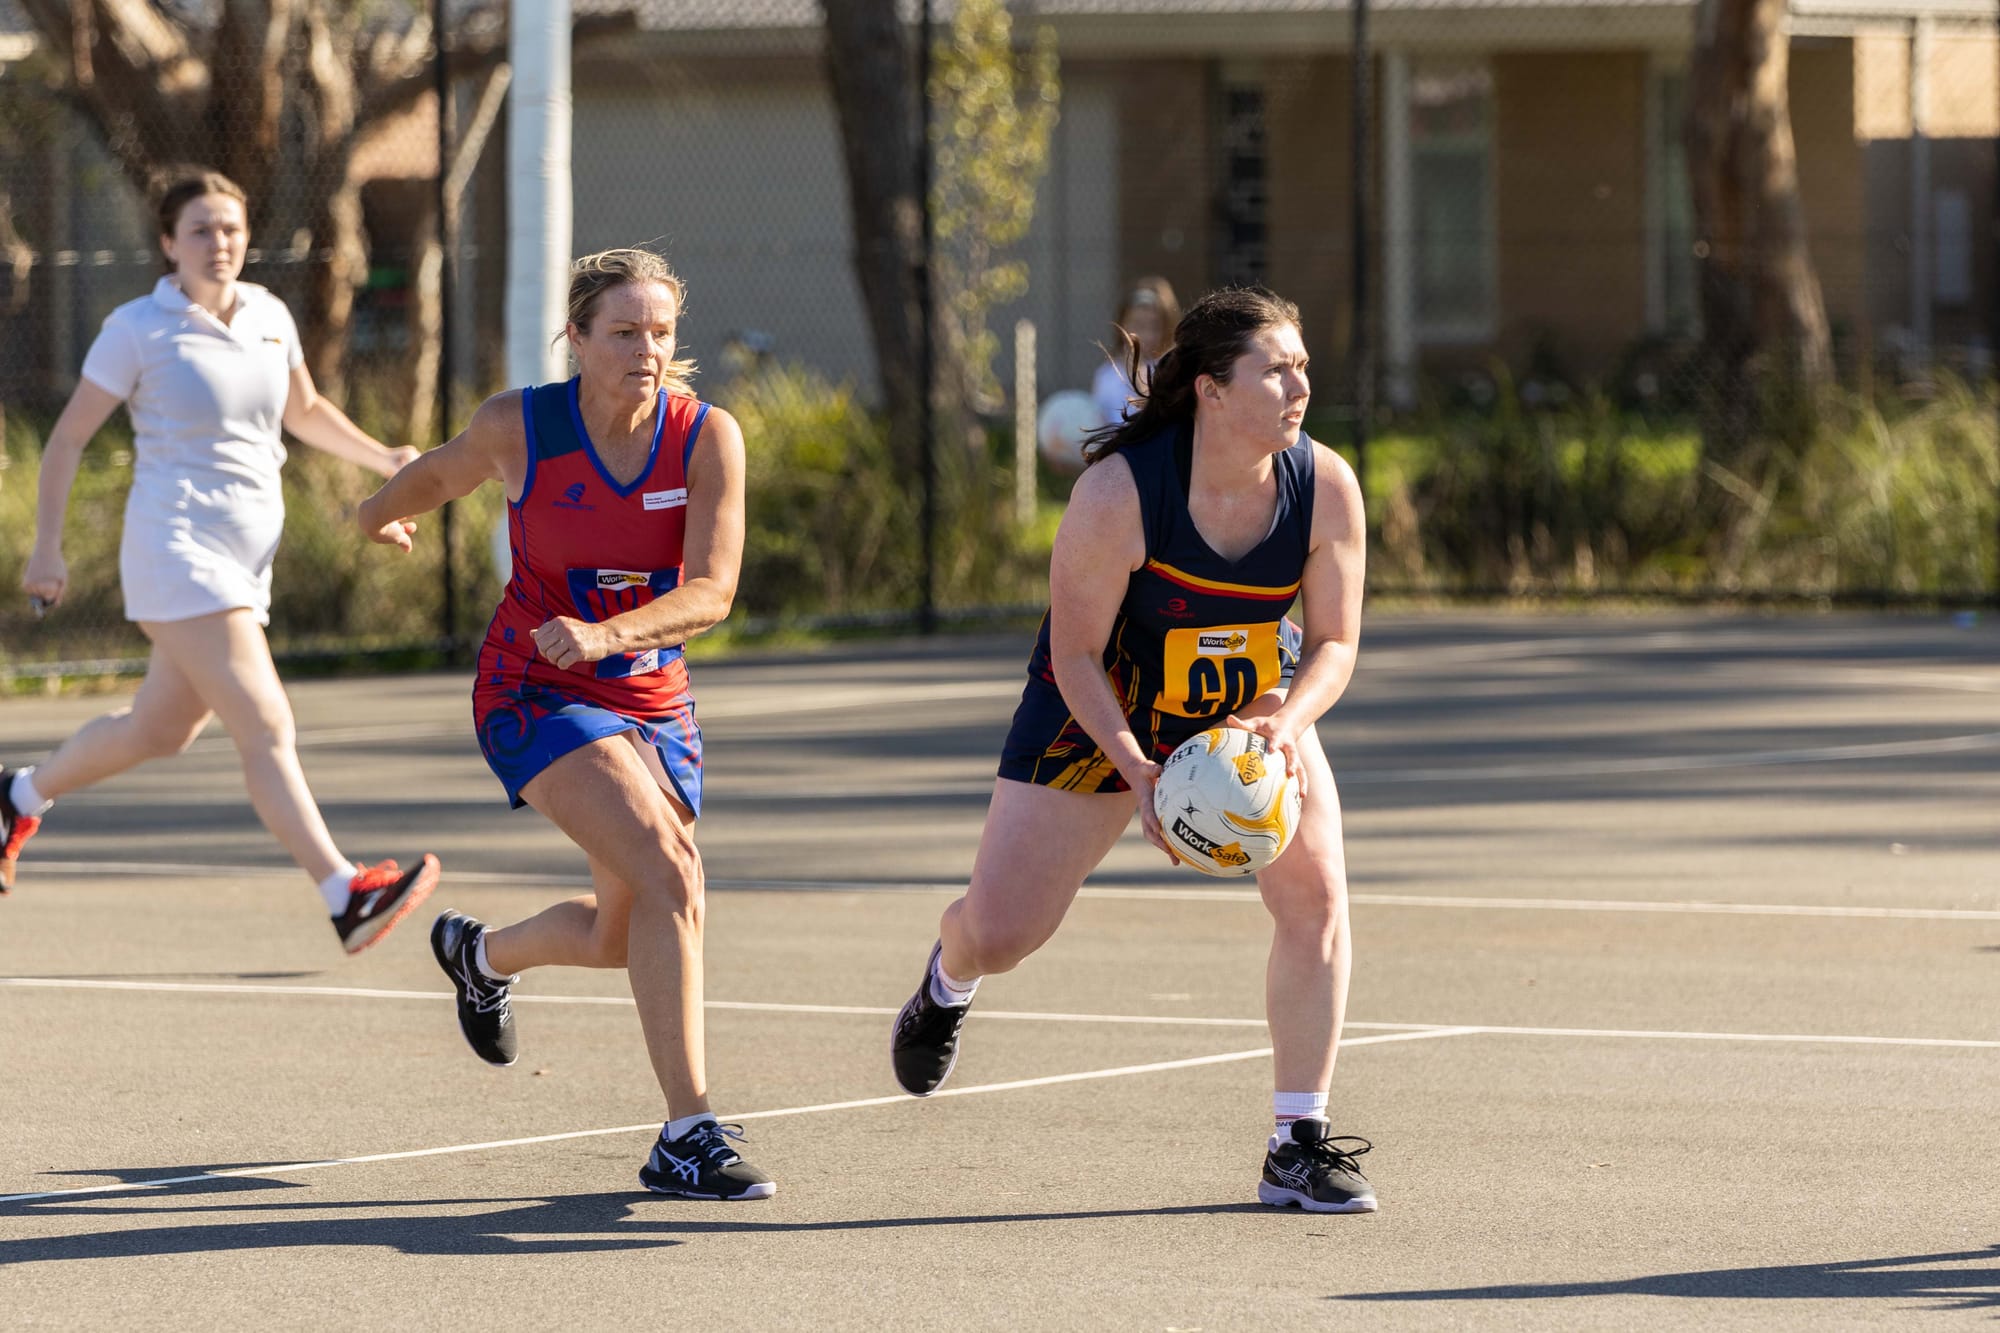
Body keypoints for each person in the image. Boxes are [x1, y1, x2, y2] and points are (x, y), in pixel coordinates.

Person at [890, 287, 1377, 1214]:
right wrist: (1139, 770)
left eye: (1302, 365)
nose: (1299, 383)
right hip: (1099, 705)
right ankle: (945, 981)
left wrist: (1286, 721)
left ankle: (1296, 1143)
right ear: (1211, 390)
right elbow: (1073, 651)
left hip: (1242, 707)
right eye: (1276, 368)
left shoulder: (1325, 486)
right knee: (1001, 932)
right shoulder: (1121, 490)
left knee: (1316, 899)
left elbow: (1336, 644)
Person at [355, 248, 771, 1202]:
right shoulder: (521, 425)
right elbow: (441, 474)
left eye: (661, 332)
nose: (647, 350)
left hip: (648, 696)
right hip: (532, 688)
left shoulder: (707, 438)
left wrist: (610, 632)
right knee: (673, 868)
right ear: (577, 338)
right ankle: (688, 1129)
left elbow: (713, 588)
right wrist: (379, 511)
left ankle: (479, 954)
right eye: (624, 332)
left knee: (619, 934)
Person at [4, 167, 439, 952]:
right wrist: (47, 547)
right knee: (267, 723)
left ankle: (18, 794)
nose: (220, 242)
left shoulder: (270, 315)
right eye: (201, 229)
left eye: (232, 228)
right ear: (169, 243)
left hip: (247, 562)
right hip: (176, 550)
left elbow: (303, 411)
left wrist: (386, 459)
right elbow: (67, 438)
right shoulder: (137, 328)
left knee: (157, 729)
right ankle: (345, 893)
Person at [1091, 277, 1181, 426]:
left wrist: (1137, 376)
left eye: (1154, 326)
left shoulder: (1170, 370)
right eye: (1138, 325)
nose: (1146, 335)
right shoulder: (1106, 374)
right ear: (1122, 324)